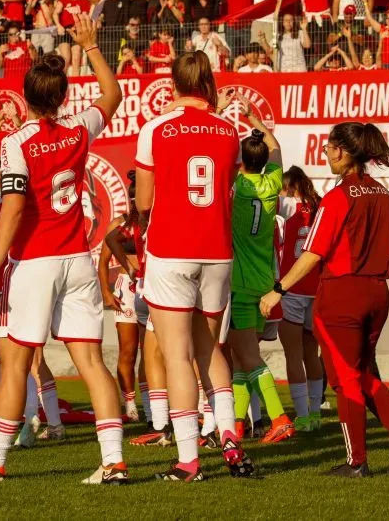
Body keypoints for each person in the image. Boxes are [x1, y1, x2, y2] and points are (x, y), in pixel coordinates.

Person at [0, 14, 128, 484]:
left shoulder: (16, 142)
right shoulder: (78, 129)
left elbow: (10, 210)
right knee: (90, 362)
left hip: (34, 261)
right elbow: (113, 96)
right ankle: (113, 461)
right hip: (78, 259)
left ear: (25, 95)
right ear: (63, 96)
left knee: (14, 364)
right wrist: (90, 47)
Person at [261, 122, 389, 477]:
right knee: (362, 374)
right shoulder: (383, 193)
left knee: (346, 380)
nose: (325, 153)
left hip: (342, 293)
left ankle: (357, 461)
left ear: (342, 151)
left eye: (329, 148)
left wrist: (279, 289)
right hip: (378, 291)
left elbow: (313, 253)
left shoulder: (336, 198)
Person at [134, 51, 255, 482]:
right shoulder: (228, 132)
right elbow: (227, 188)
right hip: (217, 250)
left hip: (172, 249)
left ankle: (188, 460)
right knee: (210, 351)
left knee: (177, 356)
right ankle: (229, 438)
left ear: (174, 84)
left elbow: (144, 202)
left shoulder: (155, 129)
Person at [227, 98, 294, 444]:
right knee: (241, 358)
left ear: (241, 162)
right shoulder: (272, 184)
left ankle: (279, 417)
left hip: (239, 283)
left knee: (248, 357)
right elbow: (276, 146)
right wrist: (256, 119)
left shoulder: (237, 188)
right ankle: (238, 423)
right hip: (264, 281)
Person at [276, 167, 324, 433]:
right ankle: (315, 414)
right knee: (311, 354)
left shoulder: (287, 204)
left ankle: (303, 416)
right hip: (316, 288)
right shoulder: (319, 207)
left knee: (293, 355)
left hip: (291, 287)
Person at [98, 176, 144, 423]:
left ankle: (152, 402)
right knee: (128, 350)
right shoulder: (120, 223)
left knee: (153, 352)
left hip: (151, 287)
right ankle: (130, 403)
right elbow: (103, 261)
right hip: (126, 289)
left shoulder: (154, 220)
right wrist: (106, 292)